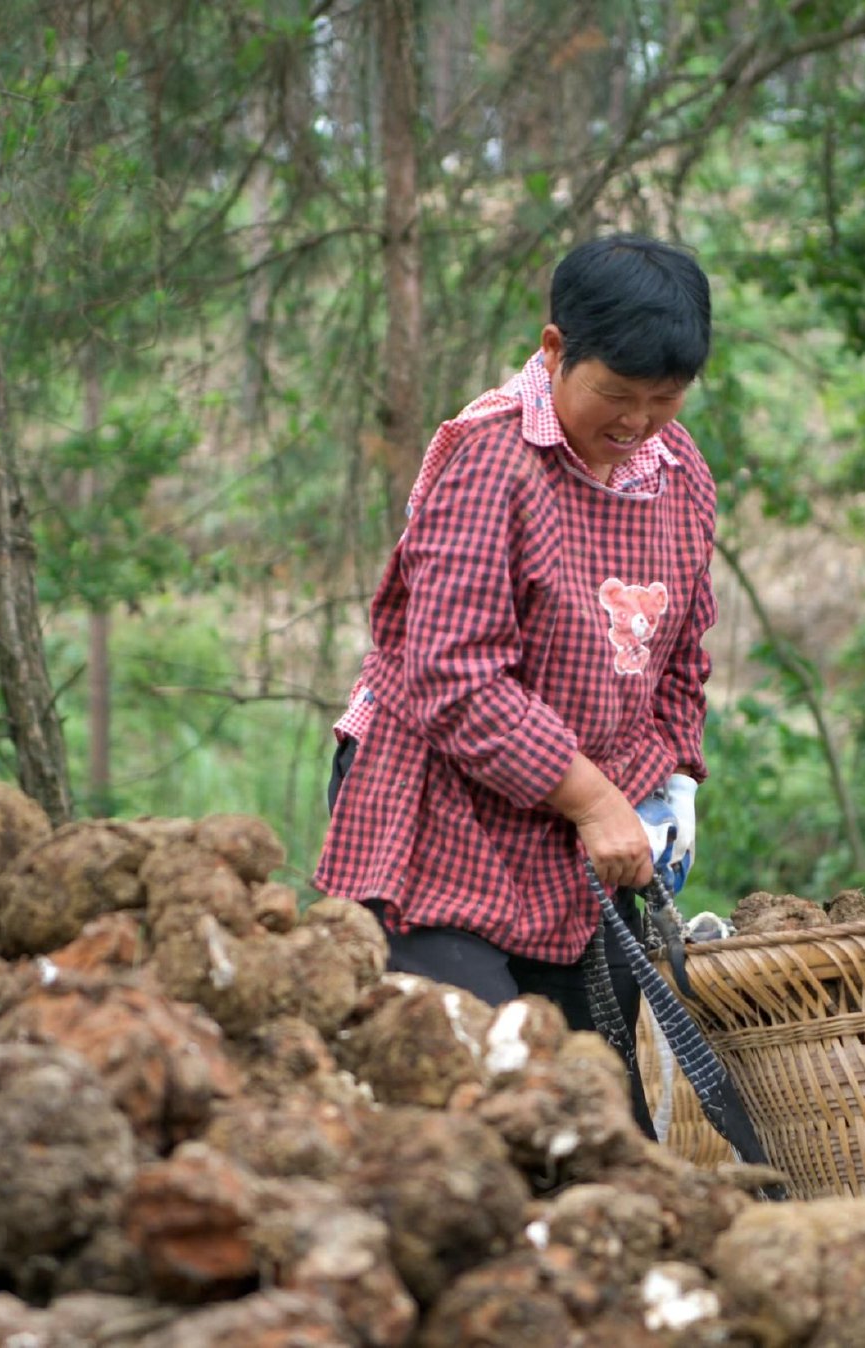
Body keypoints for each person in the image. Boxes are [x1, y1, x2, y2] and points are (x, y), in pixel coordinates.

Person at [314, 233, 717, 1038]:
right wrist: (595, 798)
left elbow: (682, 656)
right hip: (440, 817)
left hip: (577, 846)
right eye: (618, 393)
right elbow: (454, 679)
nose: (639, 422)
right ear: (556, 349)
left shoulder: (682, 475)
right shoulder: (489, 463)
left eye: (665, 398)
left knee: (589, 1094)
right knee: (475, 1072)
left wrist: (669, 784)